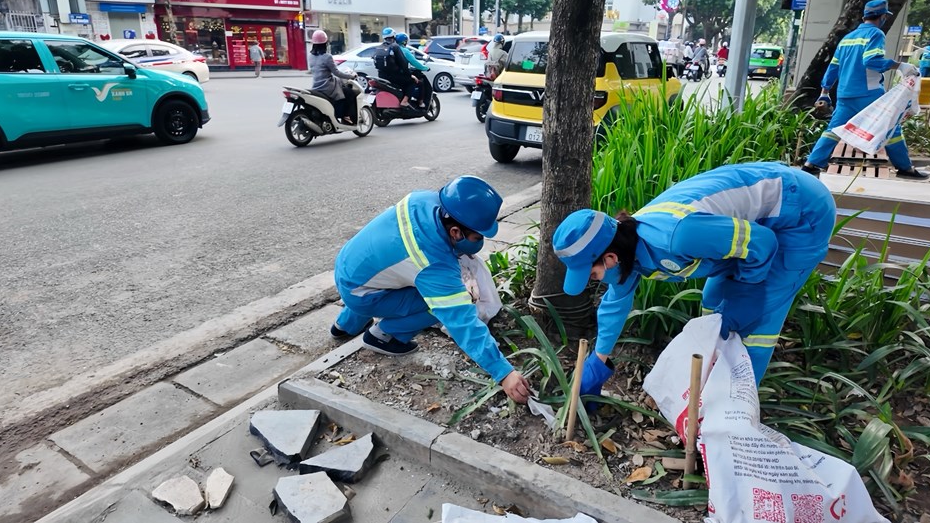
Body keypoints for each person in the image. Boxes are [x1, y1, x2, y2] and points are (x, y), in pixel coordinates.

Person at [552, 162, 836, 398]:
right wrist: (597, 362)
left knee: (757, 324)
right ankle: (707, 391)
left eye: (592, 274)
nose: (596, 280)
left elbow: (762, 243)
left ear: (610, 258)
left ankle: (733, 414)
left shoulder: (678, 236)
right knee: (714, 305)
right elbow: (615, 303)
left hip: (799, 212)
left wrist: (748, 289)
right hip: (750, 230)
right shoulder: (631, 251)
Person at [330, 176, 533, 404]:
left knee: (388, 269)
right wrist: (504, 373)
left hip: (348, 266)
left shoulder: (424, 200)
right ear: (455, 232)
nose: (480, 242)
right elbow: (460, 321)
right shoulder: (433, 263)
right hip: (362, 293)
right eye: (478, 236)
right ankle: (384, 335)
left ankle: (344, 326)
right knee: (441, 303)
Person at [802, 0, 930, 179]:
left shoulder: (848, 38)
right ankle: (905, 168)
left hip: (845, 94)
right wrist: (899, 66)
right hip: (869, 94)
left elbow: (833, 67)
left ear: (864, 16)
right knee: (892, 127)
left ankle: (811, 165)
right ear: (883, 16)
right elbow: (870, 61)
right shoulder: (876, 34)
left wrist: (825, 92)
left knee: (833, 130)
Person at [309, 29, 358, 126]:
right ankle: (344, 116)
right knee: (348, 93)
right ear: (325, 43)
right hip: (327, 86)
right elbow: (337, 73)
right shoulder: (327, 57)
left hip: (315, 86)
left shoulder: (310, 56)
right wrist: (351, 76)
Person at [374, 27, 414, 106]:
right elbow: (403, 64)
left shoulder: (379, 47)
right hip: (393, 77)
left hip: (381, 76)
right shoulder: (395, 46)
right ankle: (404, 101)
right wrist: (409, 74)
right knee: (411, 82)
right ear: (394, 36)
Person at [396, 32, 431, 107]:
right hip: (401, 74)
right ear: (404, 41)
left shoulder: (393, 48)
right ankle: (419, 102)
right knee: (418, 81)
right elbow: (414, 62)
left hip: (391, 74)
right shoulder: (404, 50)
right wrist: (425, 68)